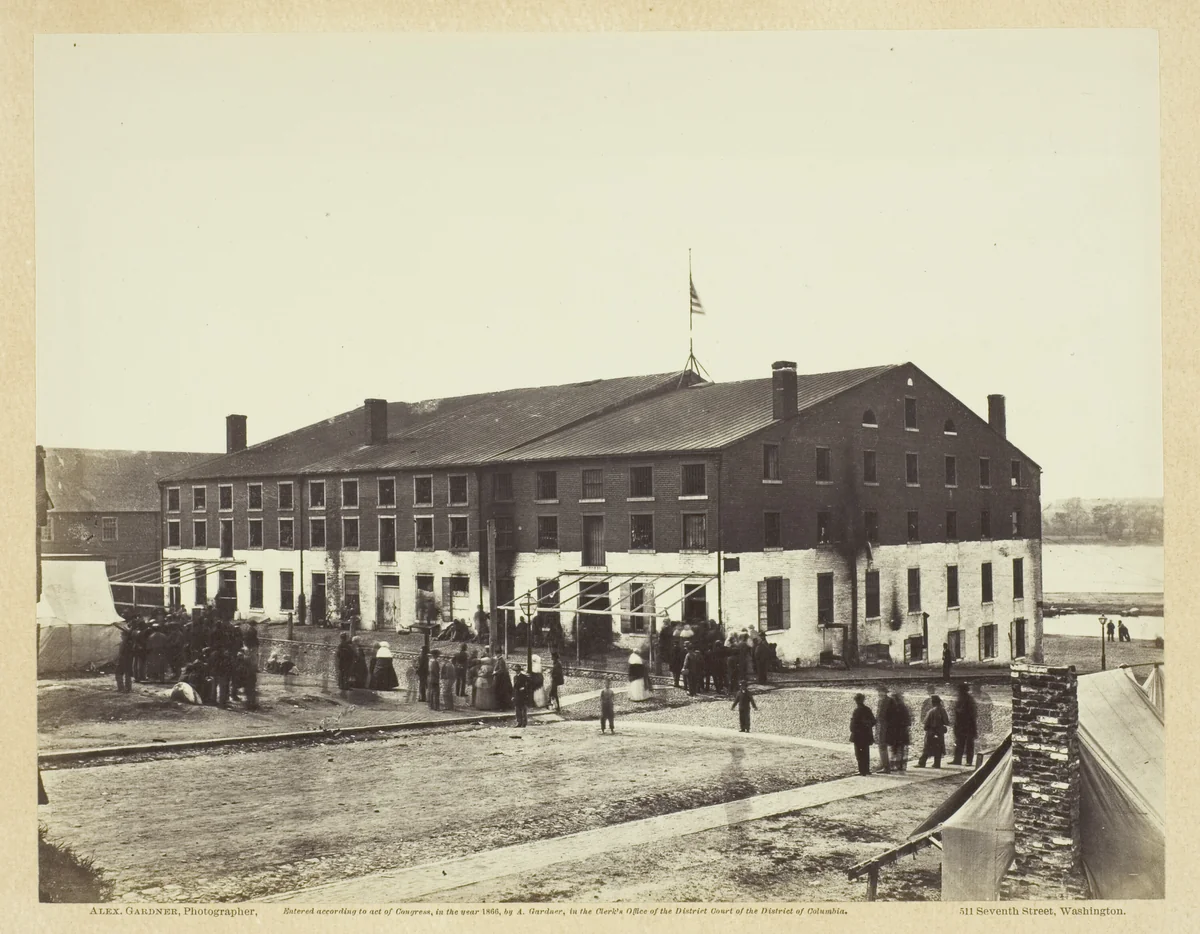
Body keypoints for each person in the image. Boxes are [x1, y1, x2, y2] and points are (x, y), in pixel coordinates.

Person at [917, 695, 949, 768]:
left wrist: (926, 728)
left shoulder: (931, 711)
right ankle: (937, 764)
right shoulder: (943, 710)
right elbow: (946, 722)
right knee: (938, 748)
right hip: (940, 732)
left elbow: (926, 723)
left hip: (931, 732)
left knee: (927, 747)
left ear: (933, 702)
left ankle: (922, 763)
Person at [849, 693, 877, 776]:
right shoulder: (867, 709)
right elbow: (873, 721)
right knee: (866, 752)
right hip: (866, 734)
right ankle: (866, 770)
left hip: (858, 735)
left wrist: (854, 730)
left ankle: (862, 770)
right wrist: (867, 726)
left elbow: (853, 725)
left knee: (859, 754)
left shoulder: (856, 711)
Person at [951, 682, 978, 766]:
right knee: (960, 742)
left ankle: (968, 761)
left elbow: (970, 713)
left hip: (968, 724)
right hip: (962, 725)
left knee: (968, 743)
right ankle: (957, 760)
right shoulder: (964, 699)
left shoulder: (968, 700)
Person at [886, 690, 912, 772]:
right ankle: (900, 766)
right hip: (901, 731)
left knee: (894, 749)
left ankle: (894, 766)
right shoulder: (903, 707)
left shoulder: (891, 708)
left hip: (895, 731)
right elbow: (908, 721)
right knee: (900, 749)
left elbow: (886, 719)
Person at [115, 626, 134, 693]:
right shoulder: (128, 643)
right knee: (126, 674)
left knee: (121, 674)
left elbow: (123, 652)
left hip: (124, 660)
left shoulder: (126, 643)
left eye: (122, 635)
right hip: (126, 660)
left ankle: (123, 688)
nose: (121, 636)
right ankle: (126, 688)